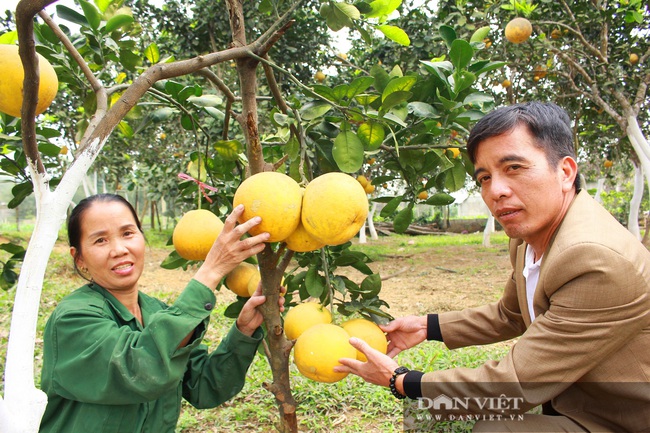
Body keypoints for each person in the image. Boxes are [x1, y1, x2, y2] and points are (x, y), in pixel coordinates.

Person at [336, 102, 650, 432]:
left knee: (493, 430)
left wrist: (401, 381)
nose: (496, 191)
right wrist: (427, 327)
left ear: (565, 172)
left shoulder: (595, 260)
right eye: (484, 177)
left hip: (618, 419)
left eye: (513, 167)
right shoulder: (532, 234)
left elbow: (515, 384)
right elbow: (509, 315)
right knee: (428, 419)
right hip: (571, 402)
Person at [39, 194, 281, 432]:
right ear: (79, 258)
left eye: (127, 233)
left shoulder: (158, 312)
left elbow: (205, 387)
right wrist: (210, 271)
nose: (119, 249)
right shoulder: (72, 320)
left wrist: (244, 329)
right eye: (100, 240)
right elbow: (140, 370)